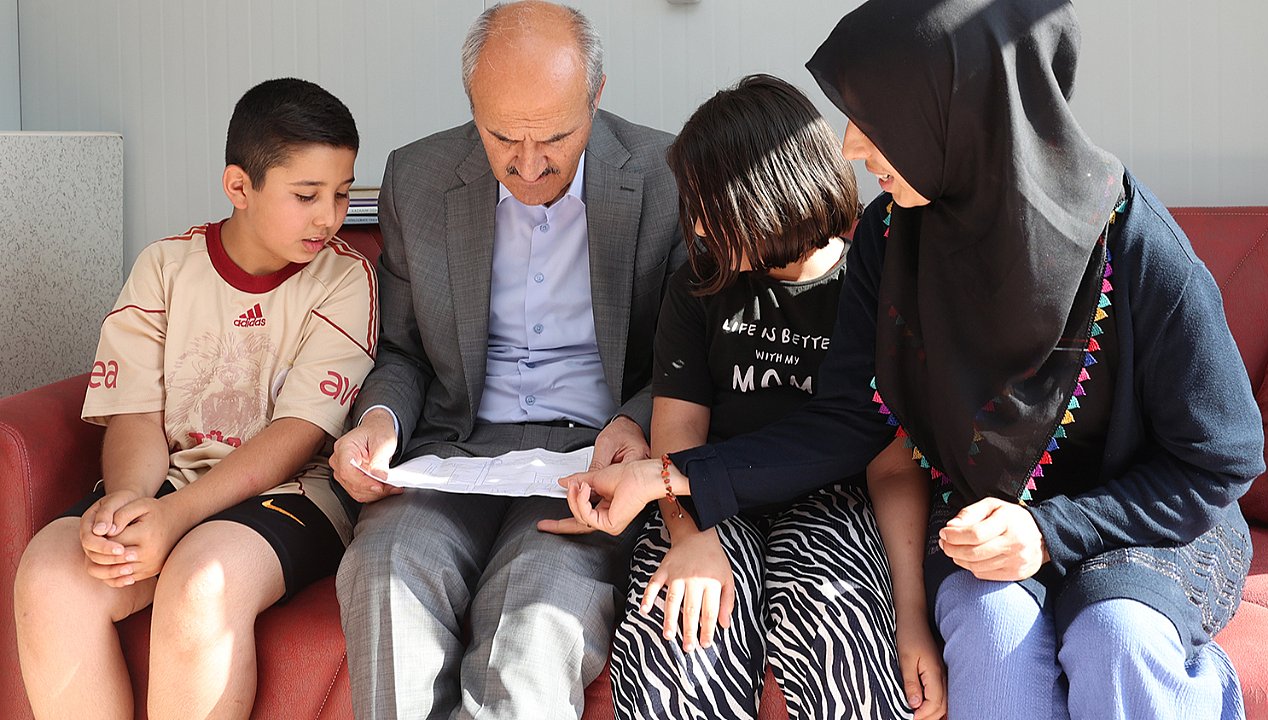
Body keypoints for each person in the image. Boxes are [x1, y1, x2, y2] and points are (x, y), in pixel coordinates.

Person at [557, 2, 1264, 719]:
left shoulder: (1138, 246)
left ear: (958, 115)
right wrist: (665, 477)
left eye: (874, 119)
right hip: (984, 527)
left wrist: (1049, 532)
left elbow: (1220, 462)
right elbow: (851, 420)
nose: (849, 148)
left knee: (1118, 637)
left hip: (1143, 524)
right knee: (991, 636)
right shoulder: (890, 238)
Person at [327, 2, 683, 718]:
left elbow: (685, 360)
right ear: (472, 105)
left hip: (590, 461)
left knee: (529, 637)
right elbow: (403, 352)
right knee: (383, 570)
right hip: (452, 453)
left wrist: (634, 423)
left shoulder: (666, 176)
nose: (528, 165)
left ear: (596, 95)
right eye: (501, 138)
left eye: (554, 137)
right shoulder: (416, 177)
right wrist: (379, 423)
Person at [554, 74, 943, 720]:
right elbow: (678, 435)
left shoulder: (867, 284)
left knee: (841, 640)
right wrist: (688, 534)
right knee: (676, 643)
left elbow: (892, 464)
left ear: (768, 194)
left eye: (712, 207)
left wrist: (911, 615)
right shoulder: (699, 286)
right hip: (707, 499)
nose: (697, 226)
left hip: (833, 507)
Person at [13, 77, 375, 719]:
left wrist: (174, 519)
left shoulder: (346, 278)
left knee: (202, 581)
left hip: (294, 490)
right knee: (51, 573)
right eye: (306, 195)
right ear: (239, 186)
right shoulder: (164, 266)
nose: (329, 216)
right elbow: (135, 413)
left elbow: (297, 433)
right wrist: (131, 501)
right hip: (170, 478)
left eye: (342, 193)